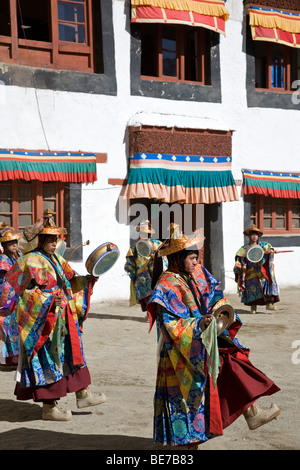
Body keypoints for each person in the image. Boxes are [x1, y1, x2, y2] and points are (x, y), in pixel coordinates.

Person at [147, 228, 280, 449]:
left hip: (207, 338)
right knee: (186, 398)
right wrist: (199, 324)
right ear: (178, 258)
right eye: (191, 258)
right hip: (180, 350)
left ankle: (252, 412)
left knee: (232, 361)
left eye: (196, 258)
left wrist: (219, 313)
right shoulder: (166, 286)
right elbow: (171, 324)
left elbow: (216, 294)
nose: (195, 262)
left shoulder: (198, 272)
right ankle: (187, 445)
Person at [5, 209, 106, 421]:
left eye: (56, 239)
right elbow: (18, 293)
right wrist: (48, 301)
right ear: (40, 240)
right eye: (50, 239)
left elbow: (71, 281)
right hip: (44, 322)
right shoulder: (29, 261)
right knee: (48, 360)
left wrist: (87, 281)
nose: (54, 243)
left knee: (73, 353)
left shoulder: (58, 260)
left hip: (64, 316)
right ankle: (49, 408)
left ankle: (83, 394)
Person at [234, 224, 280, 314]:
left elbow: (271, 250)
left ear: (258, 236)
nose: (254, 237)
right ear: (249, 236)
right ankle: (253, 307)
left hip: (262, 270)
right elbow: (239, 258)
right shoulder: (244, 248)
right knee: (252, 287)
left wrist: (269, 252)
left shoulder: (264, 245)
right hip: (250, 271)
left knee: (266, 283)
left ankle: (269, 303)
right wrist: (239, 264)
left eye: (256, 235)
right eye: (252, 235)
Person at [124, 220, 164, 312]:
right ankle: (150, 314)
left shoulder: (157, 244)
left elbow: (164, 257)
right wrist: (130, 270)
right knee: (147, 298)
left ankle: (153, 314)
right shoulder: (134, 247)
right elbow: (130, 261)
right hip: (142, 276)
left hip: (155, 273)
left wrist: (156, 259)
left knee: (156, 296)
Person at [0, 223, 22, 368]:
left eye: (15, 242)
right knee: (7, 326)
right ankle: (7, 360)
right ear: (5, 244)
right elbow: (3, 282)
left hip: (17, 296)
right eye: (11, 243)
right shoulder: (3, 260)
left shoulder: (18, 256)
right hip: (7, 298)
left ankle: (17, 357)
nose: (14, 245)